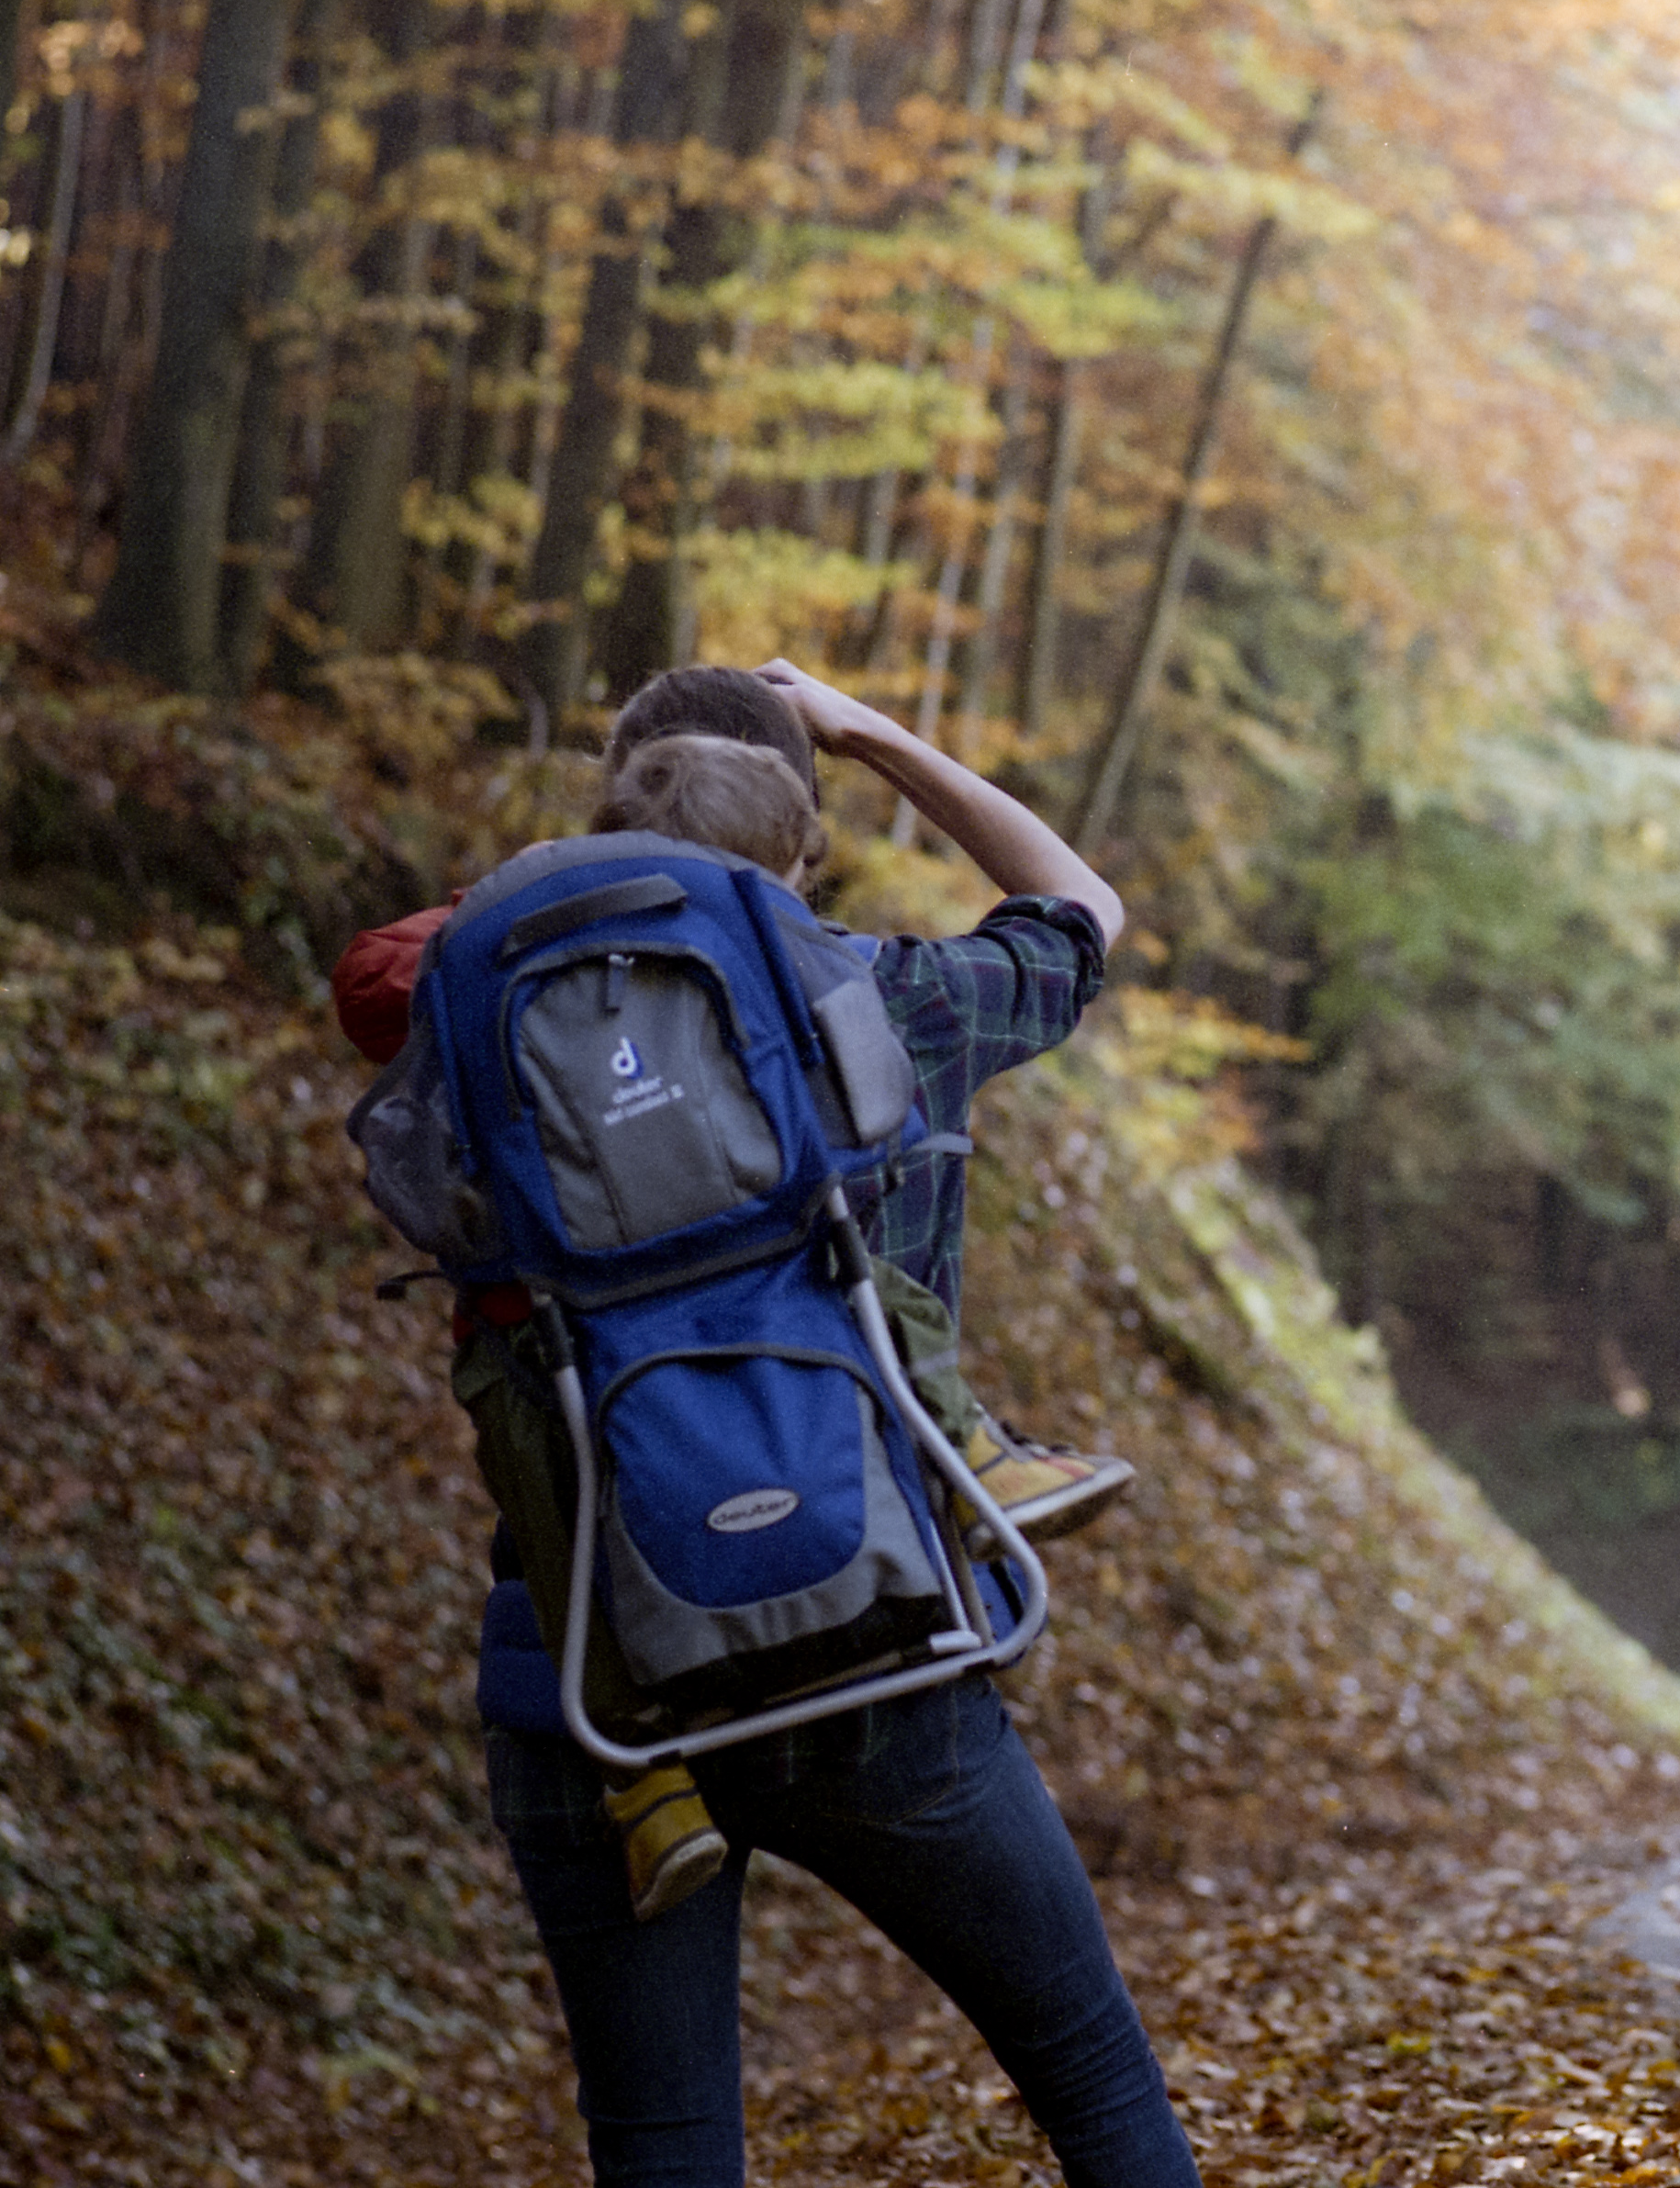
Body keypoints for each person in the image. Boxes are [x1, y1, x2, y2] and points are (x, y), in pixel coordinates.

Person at [343, 661, 1200, 2188]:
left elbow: (379, 978)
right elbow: (1080, 906)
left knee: (664, 2150)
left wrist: (565, 883)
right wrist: (871, 733)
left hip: (592, 1681)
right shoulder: (891, 999)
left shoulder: (485, 1015)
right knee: (1091, 2081)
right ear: (803, 848)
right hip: (864, 1635)